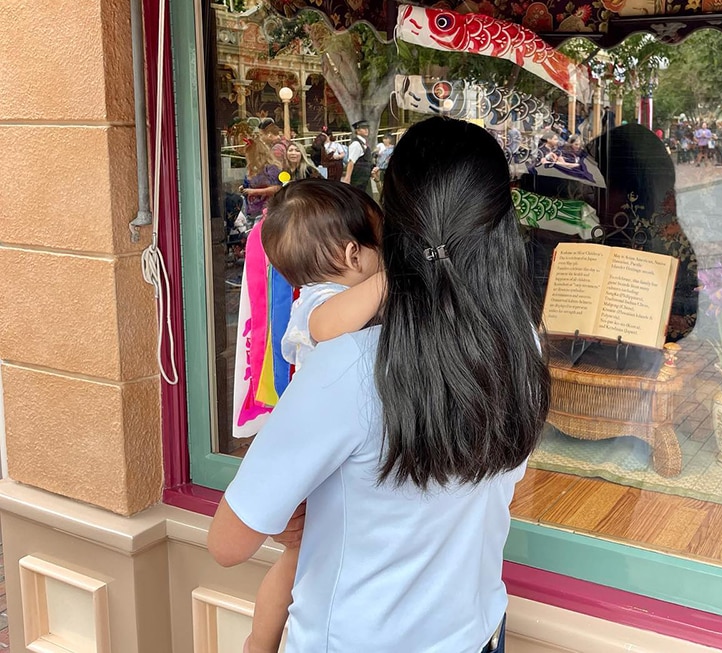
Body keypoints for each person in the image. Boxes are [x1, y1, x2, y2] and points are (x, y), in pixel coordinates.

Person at [208, 116, 550, 653]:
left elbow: (228, 544)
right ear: (501, 225)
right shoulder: (522, 342)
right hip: (474, 632)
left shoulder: (348, 364)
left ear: (396, 228)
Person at [234, 179, 385, 653]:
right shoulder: (319, 302)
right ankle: (260, 642)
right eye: (382, 247)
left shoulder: (343, 298)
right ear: (353, 254)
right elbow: (328, 325)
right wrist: (396, 275)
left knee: (305, 556)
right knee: (295, 558)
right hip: (313, 452)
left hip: (327, 447)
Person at [343, 120, 375, 194]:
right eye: (363, 128)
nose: (366, 130)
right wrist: (347, 178)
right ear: (357, 131)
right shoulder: (356, 144)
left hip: (364, 179)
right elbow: (351, 162)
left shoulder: (363, 143)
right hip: (358, 180)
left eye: (367, 128)